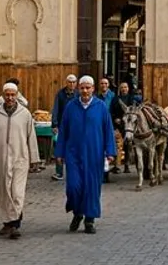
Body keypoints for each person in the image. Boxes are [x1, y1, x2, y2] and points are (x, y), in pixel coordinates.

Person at [0, 82, 41, 239]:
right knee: (3, 192)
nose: (10, 98)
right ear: (3, 95)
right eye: (7, 95)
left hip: (20, 158)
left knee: (17, 193)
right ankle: (8, 223)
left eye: (13, 95)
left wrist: (34, 158)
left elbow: (31, 137)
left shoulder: (25, 114)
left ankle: (14, 224)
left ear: (17, 95)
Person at [54, 75, 116, 235]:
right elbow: (63, 131)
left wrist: (110, 151)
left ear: (93, 89)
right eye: (82, 87)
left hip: (94, 153)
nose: (85, 90)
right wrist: (59, 152)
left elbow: (108, 130)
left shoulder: (101, 107)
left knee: (92, 188)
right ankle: (77, 212)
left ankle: (89, 219)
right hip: (73, 154)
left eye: (88, 87)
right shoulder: (70, 107)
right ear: (78, 89)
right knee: (73, 186)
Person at [51, 74, 78, 182]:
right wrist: (54, 124)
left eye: (73, 82)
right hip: (62, 126)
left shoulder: (78, 94)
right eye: (69, 82)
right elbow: (56, 109)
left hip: (75, 126)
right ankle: (59, 172)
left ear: (76, 83)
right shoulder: (60, 94)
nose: (71, 84)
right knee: (59, 148)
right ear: (66, 83)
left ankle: (74, 172)